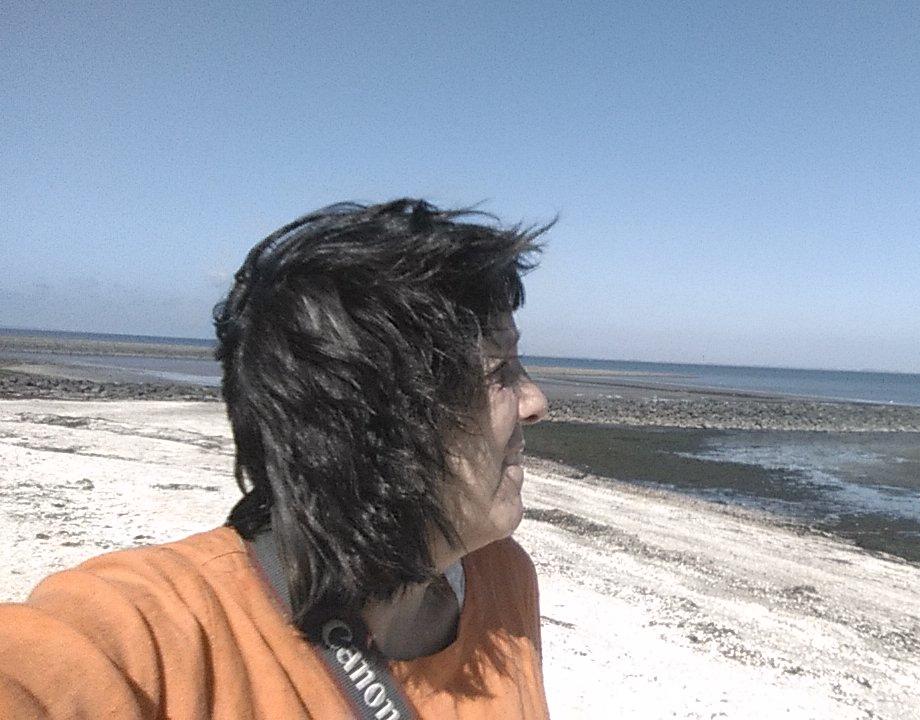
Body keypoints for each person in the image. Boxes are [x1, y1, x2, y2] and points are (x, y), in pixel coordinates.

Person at [0, 199, 552, 719]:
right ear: (371, 418)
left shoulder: (502, 581)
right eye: (499, 370)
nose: (536, 403)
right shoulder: (159, 635)